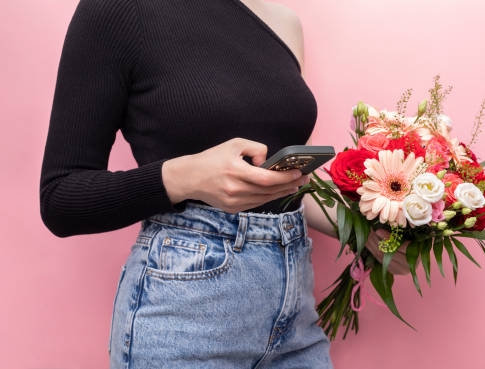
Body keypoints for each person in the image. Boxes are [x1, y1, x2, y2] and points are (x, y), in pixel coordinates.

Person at [39, 0, 408, 367]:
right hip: (184, 318)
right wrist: (185, 176)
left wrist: (368, 234)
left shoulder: (283, 23)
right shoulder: (119, 9)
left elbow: (286, 184)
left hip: (295, 318)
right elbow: (61, 196)